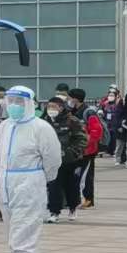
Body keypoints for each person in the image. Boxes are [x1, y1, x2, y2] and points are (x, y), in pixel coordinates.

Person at [0, 87, 61, 253]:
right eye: (10, 100)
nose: (13, 105)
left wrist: (38, 179)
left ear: (29, 103)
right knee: (15, 237)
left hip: (28, 184)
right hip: (5, 184)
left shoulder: (41, 127)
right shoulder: (5, 126)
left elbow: (53, 159)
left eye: (19, 101)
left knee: (22, 237)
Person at [44, 95, 87, 223]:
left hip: (70, 160)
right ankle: (54, 212)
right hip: (52, 161)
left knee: (71, 186)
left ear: (61, 108)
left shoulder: (72, 120)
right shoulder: (45, 121)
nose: (51, 109)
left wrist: (72, 152)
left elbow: (82, 138)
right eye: (49, 107)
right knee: (53, 186)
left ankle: (72, 208)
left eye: (54, 107)